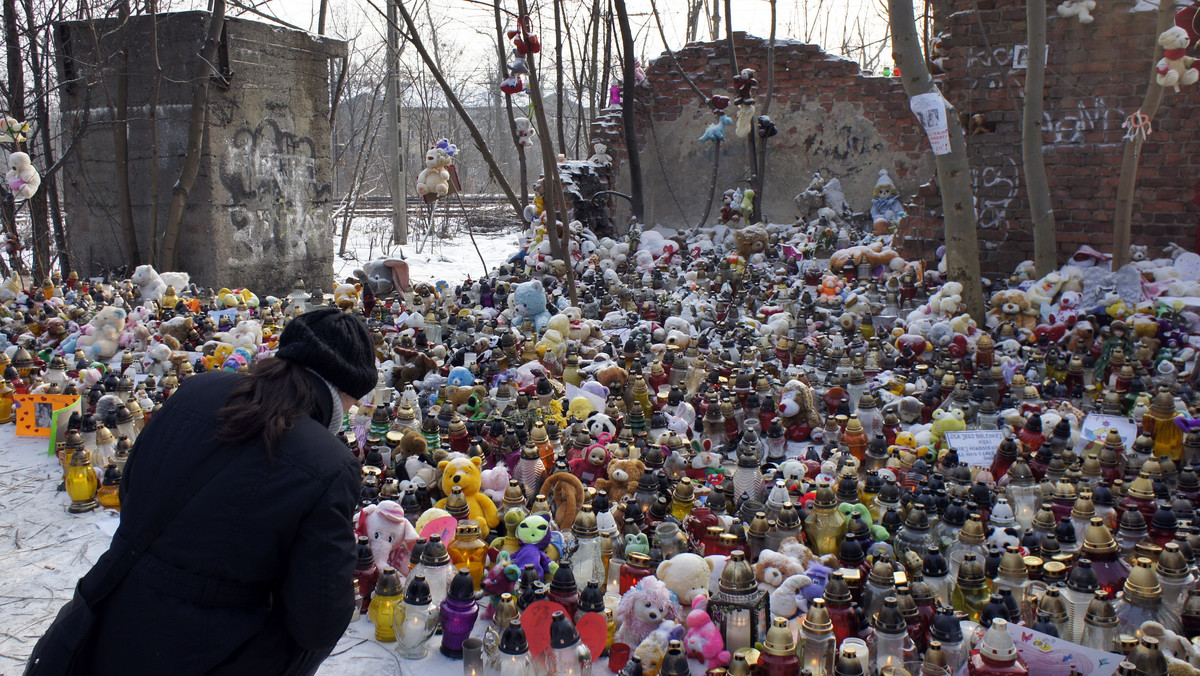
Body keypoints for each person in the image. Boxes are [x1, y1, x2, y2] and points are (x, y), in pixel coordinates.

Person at [28, 308, 377, 675]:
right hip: (206, 648)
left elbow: (131, 491)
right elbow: (318, 619)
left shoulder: (198, 388)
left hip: (105, 613)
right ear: (343, 392)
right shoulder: (328, 462)